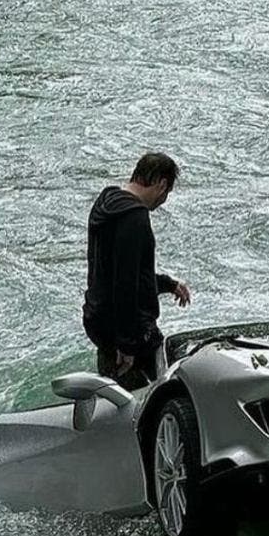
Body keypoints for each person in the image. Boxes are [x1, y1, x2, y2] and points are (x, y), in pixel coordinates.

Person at [82, 152, 190, 390]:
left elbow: (115, 269)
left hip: (100, 321)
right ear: (162, 184)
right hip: (130, 330)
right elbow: (125, 282)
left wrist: (167, 284)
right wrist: (128, 344)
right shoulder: (134, 217)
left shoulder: (105, 204)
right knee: (170, 388)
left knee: (114, 399)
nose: (163, 201)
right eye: (166, 193)